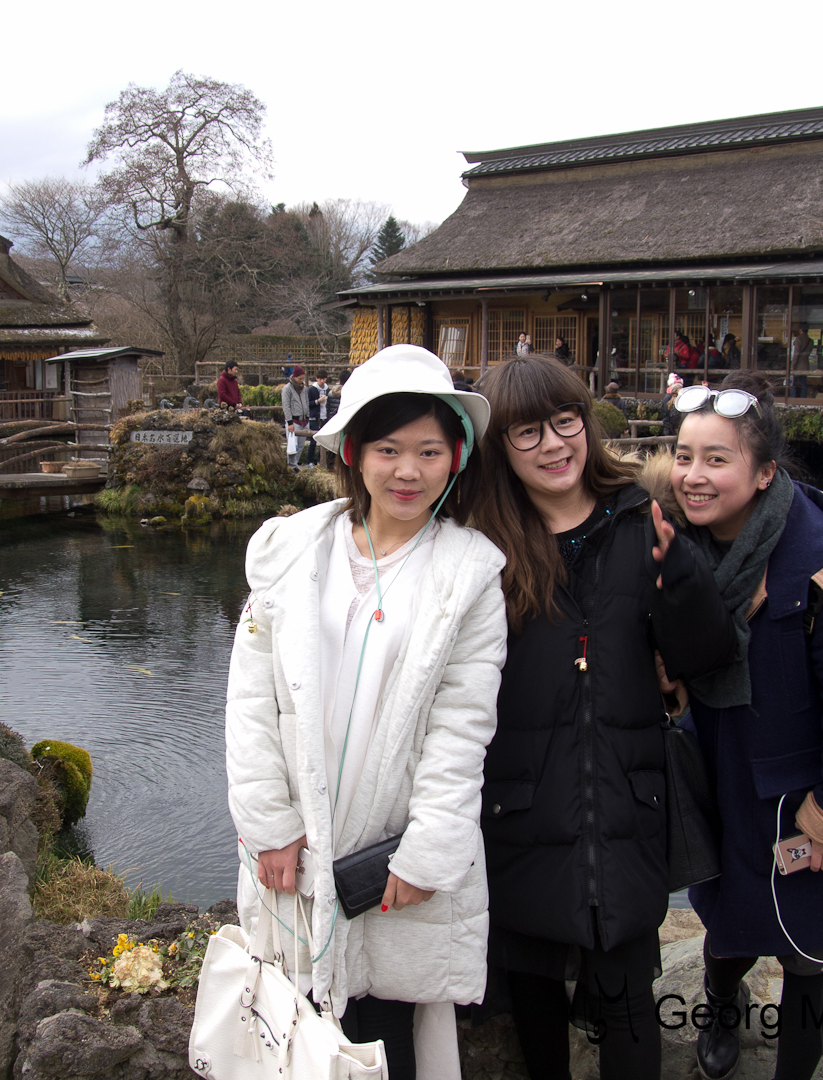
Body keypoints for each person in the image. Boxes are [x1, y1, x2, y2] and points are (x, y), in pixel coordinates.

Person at [227, 344, 506, 1080]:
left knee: (386, 1035)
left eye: (428, 451)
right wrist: (269, 826)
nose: (407, 471)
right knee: (289, 1029)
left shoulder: (469, 574)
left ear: (456, 458)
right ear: (353, 453)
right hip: (294, 848)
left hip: (389, 857)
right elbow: (251, 698)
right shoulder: (290, 552)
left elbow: (462, 728)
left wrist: (426, 853)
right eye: (388, 449)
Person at [469, 356, 736, 1080]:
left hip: (626, 798)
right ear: (498, 445)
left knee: (626, 1001)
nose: (556, 444)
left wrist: (681, 577)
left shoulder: (642, 518)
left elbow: (704, 655)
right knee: (532, 996)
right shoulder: (478, 546)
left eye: (566, 421)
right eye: (528, 432)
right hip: (518, 804)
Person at [659, 374, 823, 1080]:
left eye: (717, 460)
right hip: (722, 766)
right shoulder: (673, 541)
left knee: (810, 944)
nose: (693, 477)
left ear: (764, 474)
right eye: (683, 455)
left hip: (803, 784)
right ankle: (720, 1006)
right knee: (728, 918)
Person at [281, 365, 310, 469]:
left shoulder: (304, 388)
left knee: (301, 445)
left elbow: (306, 401)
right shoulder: (287, 389)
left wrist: (307, 416)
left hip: (304, 420)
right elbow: (286, 406)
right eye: (300, 378)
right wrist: (289, 422)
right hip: (293, 420)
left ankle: (295, 464)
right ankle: (291, 466)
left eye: (303, 378)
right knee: (293, 445)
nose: (302, 381)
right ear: (294, 377)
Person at [306, 369, 332, 466]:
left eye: (324, 379)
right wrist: (317, 401)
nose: (322, 381)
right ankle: (310, 461)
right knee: (313, 441)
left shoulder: (328, 390)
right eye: (320, 379)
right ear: (316, 378)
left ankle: (321, 461)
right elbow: (307, 403)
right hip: (314, 417)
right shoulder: (311, 390)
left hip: (324, 417)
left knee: (323, 442)